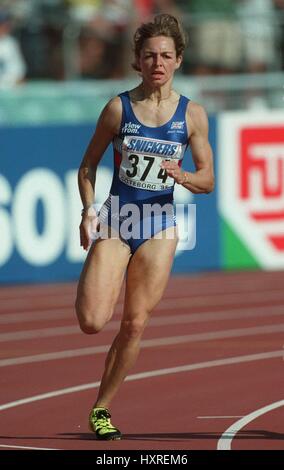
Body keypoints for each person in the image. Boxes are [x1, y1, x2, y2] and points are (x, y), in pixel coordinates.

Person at [75, 13, 214, 440]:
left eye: (166, 56)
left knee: (135, 324)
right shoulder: (119, 107)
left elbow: (208, 179)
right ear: (138, 60)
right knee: (93, 321)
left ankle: (101, 409)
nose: (158, 62)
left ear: (178, 61)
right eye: (150, 55)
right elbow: (88, 164)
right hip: (118, 219)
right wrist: (87, 211)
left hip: (160, 224)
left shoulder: (192, 115)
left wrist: (183, 175)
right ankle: (98, 274)